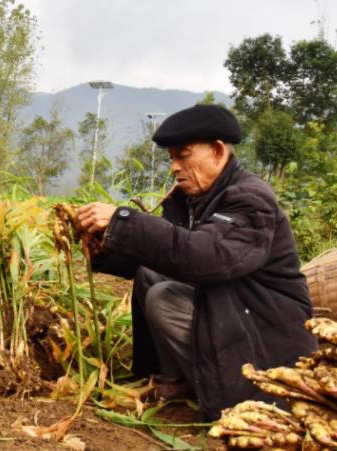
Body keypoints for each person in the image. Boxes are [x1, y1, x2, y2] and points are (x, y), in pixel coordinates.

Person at [77, 104, 316, 421]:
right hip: (231, 312)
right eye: (171, 158)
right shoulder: (192, 199)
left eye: (183, 155)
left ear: (217, 151)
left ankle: (223, 389)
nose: (174, 167)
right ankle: (179, 380)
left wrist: (123, 220)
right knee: (150, 275)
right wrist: (101, 245)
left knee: (163, 298)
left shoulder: (250, 198)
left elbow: (205, 258)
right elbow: (162, 255)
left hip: (264, 334)